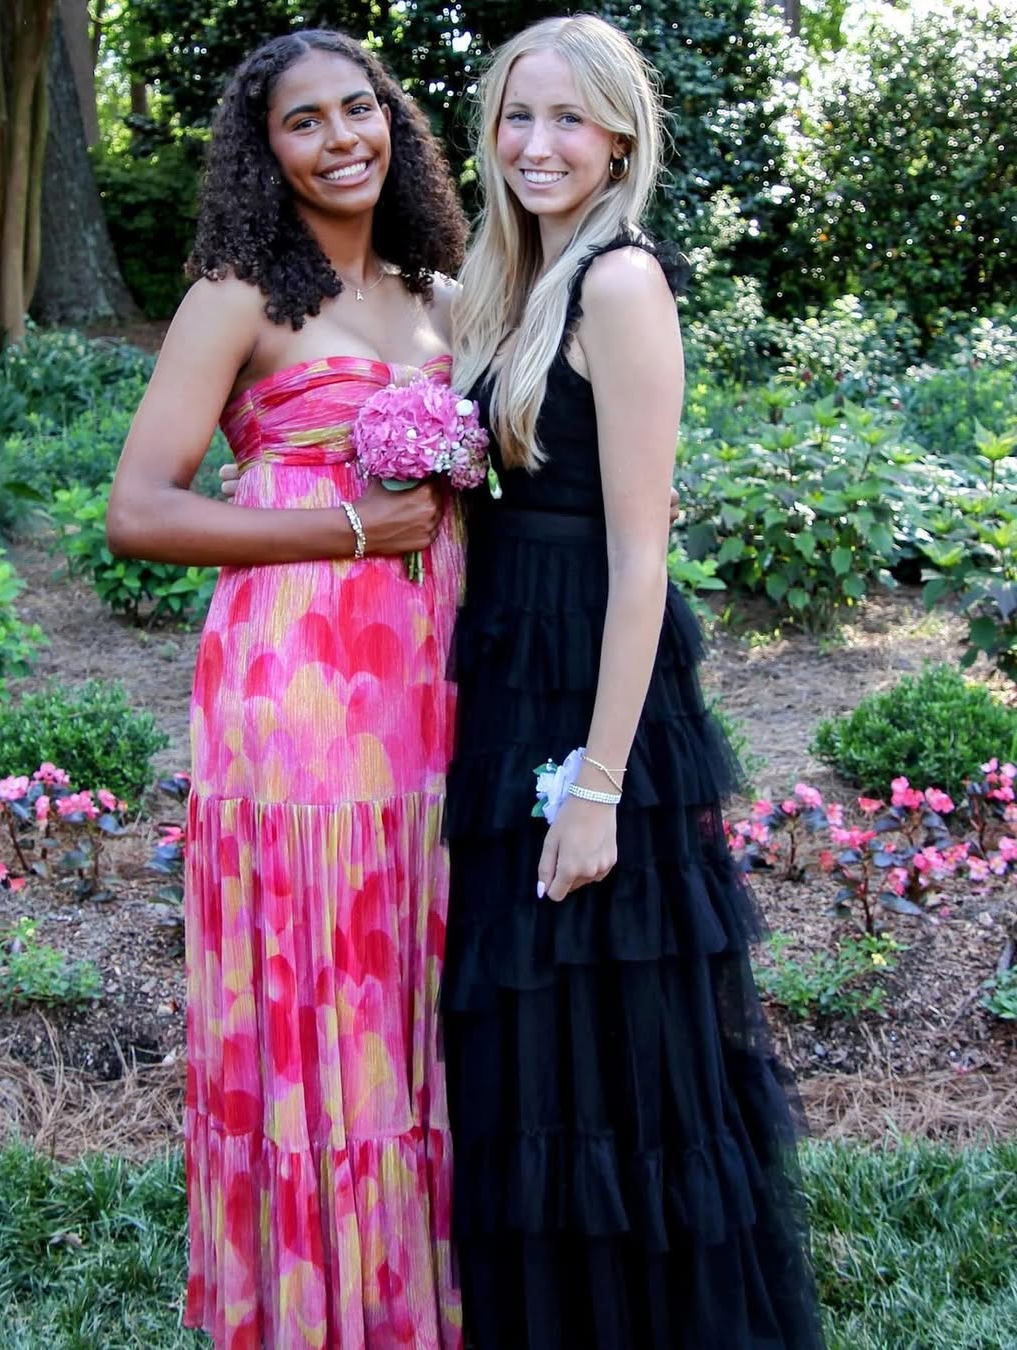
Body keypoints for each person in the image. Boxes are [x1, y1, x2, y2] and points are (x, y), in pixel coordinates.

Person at [440, 14, 825, 1348]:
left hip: (594, 692)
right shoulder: (513, 280)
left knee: (617, 1032)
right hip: (510, 674)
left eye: (568, 119)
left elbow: (641, 554)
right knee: (534, 1026)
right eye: (517, 115)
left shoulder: (620, 283)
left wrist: (599, 782)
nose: (537, 144)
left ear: (619, 138)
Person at [106, 30, 468, 1349]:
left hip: (434, 676)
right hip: (299, 685)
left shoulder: (442, 297)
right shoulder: (237, 296)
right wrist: (355, 528)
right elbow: (140, 511)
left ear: (393, 124)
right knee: (328, 967)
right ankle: (315, 1309)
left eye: (357, 109)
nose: (340, 138)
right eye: (303, 122)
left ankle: (418, 1295)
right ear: (265, 155)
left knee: (417, 971)